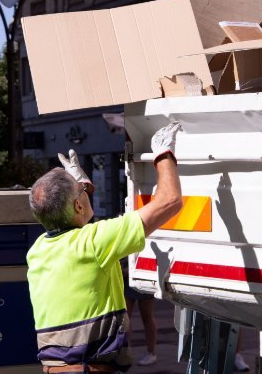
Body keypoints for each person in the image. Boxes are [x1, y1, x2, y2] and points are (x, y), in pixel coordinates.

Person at [26, 122, 182, 374]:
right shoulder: (95, 242)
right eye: (82, 191)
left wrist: (79, 184)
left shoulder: (37, 250)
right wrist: (163, 153)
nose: (86, 191)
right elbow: (170, 201)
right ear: (77, 206)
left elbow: (79, 224)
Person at [123, 263, 158, 366]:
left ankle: (151, 353)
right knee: (125, 318)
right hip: (126, 279)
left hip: (144, 277)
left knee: (147, 316)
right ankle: (126, 354)